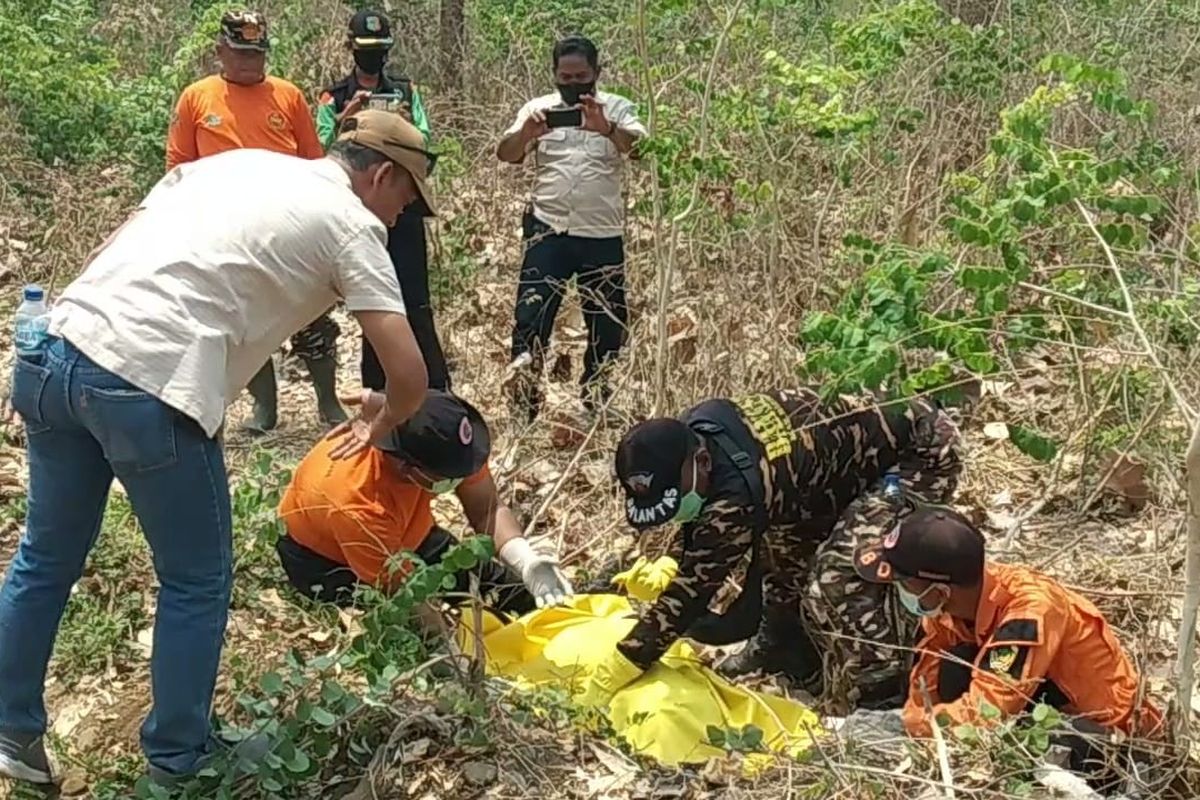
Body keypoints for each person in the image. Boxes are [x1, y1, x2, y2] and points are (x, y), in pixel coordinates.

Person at [0, 110, 435, 787]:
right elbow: (409, 376)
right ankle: (180, 758)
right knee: (196, 578)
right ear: (381, 174)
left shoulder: (240, 163)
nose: (401, 216)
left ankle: (10, 732)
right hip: (150, 384)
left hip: (57, 349)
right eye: (405, 199)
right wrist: (381, 422)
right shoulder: (353, 225)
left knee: (45, 558)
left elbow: (121, 242)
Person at [577, 389, 960, 707]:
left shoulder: (734, 496)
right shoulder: (691, 437)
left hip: (916, 454)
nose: (677, 514)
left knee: (838, 574)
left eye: (676, 500)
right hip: (825, 476)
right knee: (783, 554)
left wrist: (625, 661)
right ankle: (785, 648)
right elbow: (699, 548)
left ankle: (881, 691)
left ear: (703, 462)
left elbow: (691, 592)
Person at [166, 10, 347, 431]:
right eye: (241, 52)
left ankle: (328, 401)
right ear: (221, 52)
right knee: (243, 321)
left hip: (286, 225)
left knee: (310, 311)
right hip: (222, 226)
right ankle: (264, 408)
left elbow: (314, 161)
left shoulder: (287, 96)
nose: (250, 61)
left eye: (257, 53)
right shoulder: (197, 97)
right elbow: (177, 165)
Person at [854, 508, 1164, 748]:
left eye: (905, 582)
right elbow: (926, 678)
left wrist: (921, 729)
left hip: (1107, 736)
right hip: (1041, 699)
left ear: (941, 590)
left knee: (1043, 735)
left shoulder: (1030, 611)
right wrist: (916, 722)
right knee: (954, 666)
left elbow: (985, 713)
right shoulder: (947, 604)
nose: (900, 590)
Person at [277, 389, 572, 612]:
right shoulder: (357, 501)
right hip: (326, 560)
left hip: (408, 533)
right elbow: (409, 598)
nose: (459, 481)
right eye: (446, 478)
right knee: (400, 631)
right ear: (408, 468)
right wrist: (455, 658)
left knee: (510, 595)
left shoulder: (446, 438)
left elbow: (487, 509)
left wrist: (526, 561)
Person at [496, 34, 645, 422]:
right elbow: (506, 154)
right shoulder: (538, 110)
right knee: (531, 320)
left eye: (581, 76)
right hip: (548, 233)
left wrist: (606, 128)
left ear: (597, 73)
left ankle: (596, 400)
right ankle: (523, 407)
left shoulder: (618, 108)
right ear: (554, 75)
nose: (574, 83)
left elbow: (644, 150)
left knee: (607, 325)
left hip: (601, 235)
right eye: (565, 76)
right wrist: (527, 133)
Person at [316, 9, 451, 392]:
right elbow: (321, 148)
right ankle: (376, 389)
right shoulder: (333, 96)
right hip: (356, 211)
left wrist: (406, 123)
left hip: (401, 207)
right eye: (365, 49)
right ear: (351, 49)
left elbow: (423, 144)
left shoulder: (407, 90)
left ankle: (435, 388)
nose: (373, 56)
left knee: (415, 301)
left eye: (380, 49)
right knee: (372, 300)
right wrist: (346, 120)